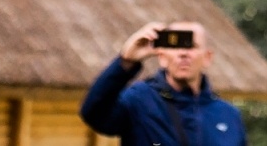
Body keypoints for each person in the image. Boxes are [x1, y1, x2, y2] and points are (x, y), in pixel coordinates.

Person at [81, 20, 248, 146]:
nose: (183, 53)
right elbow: (93, 113)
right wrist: (125, 62)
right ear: (161, 56)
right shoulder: (140, 100)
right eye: (176, 45)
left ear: (207, 57)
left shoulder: (228, 115)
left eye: (191, 45)